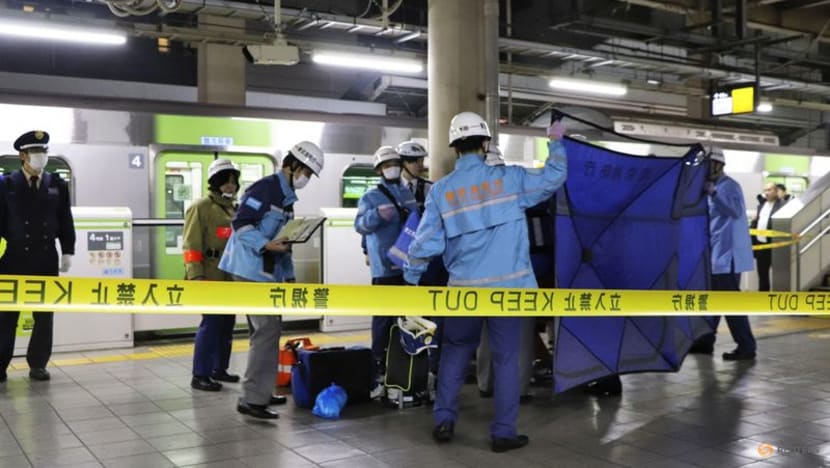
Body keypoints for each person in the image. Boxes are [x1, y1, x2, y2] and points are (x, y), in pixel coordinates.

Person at [404, 112, 567, 453]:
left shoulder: (442, 191)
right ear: (485, 143)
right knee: (506, 359)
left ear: (454, 148)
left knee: (455, 352)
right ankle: (503, 433)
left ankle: (444, 420)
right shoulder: (509, 179)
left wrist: (413, 278)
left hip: (463, 291)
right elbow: (554, 177)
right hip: (510, 291)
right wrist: (556, 143)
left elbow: (426, 243)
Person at [219, 141, 324, 419]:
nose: (307, 179)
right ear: (293, 166)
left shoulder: (287, 198)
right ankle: (252, 399)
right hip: (248, 269)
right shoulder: (265, 188)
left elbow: (283, 242)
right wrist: (266, 244)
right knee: (266, 331)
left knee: (268, 331)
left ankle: (261, 391)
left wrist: (289, 277)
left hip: (266, 273)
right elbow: (241, 224)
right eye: (307, 173)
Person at [0, 130, 75, 382]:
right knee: (7, 314)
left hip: (45, 258)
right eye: (35, 152)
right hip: (14, 259)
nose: (41, 156)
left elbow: (65, 220)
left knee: (44, 315)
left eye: (44, 151)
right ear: (22, 155)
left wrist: (68, 251)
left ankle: (38, 364)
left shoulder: (57, 184)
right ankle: (0, 364)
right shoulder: (6, 184)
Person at [476, 145, 539, 404]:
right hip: (516, 278)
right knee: (521, 336)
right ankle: (519, 388)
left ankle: (485, 383)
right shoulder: (517, 198)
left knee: (486, 333)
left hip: (482, 279)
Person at [354, 146, 418, 395]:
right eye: (386, 164)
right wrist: (375, 216)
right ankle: (378, 368)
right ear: (379, 170)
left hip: (408, 266)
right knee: (382, 320)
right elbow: (359, 226)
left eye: (394, 163)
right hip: (384, 267)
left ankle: (404, 367)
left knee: (406, 318)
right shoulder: (370, 197)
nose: (391, 167)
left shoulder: (407, 193)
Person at [692, 147, 757, 361]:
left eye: (708, 165)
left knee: (729, 302)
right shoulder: (711, 188)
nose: (705, 169)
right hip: (716, 255)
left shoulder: (729, 186)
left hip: (728, 257)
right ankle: (705, 341)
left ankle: (746, 346)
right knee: (714, 299)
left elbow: (736, 211)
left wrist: (714, 194)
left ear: (718, 165)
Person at [185, 159, 241, 392]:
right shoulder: (201, 207)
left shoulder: (235, 209)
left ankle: (220, 369)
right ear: (215, 182)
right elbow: (190, 244)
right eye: (226, 182)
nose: (230, 187)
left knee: (227, 323)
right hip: (209, 273)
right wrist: (196, 275)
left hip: (230, 273)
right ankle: (200, 374)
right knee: (211, 323)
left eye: (233, 182)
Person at [752, 182, 784, 292]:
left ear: (775, 191)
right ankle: (763, 297)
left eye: (769, 190)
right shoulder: (761, 205)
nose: (766, 193)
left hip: (774, 244)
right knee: (762, 273)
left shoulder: (782, 206)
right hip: (761, 244)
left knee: (779, 274)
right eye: (765, 190)